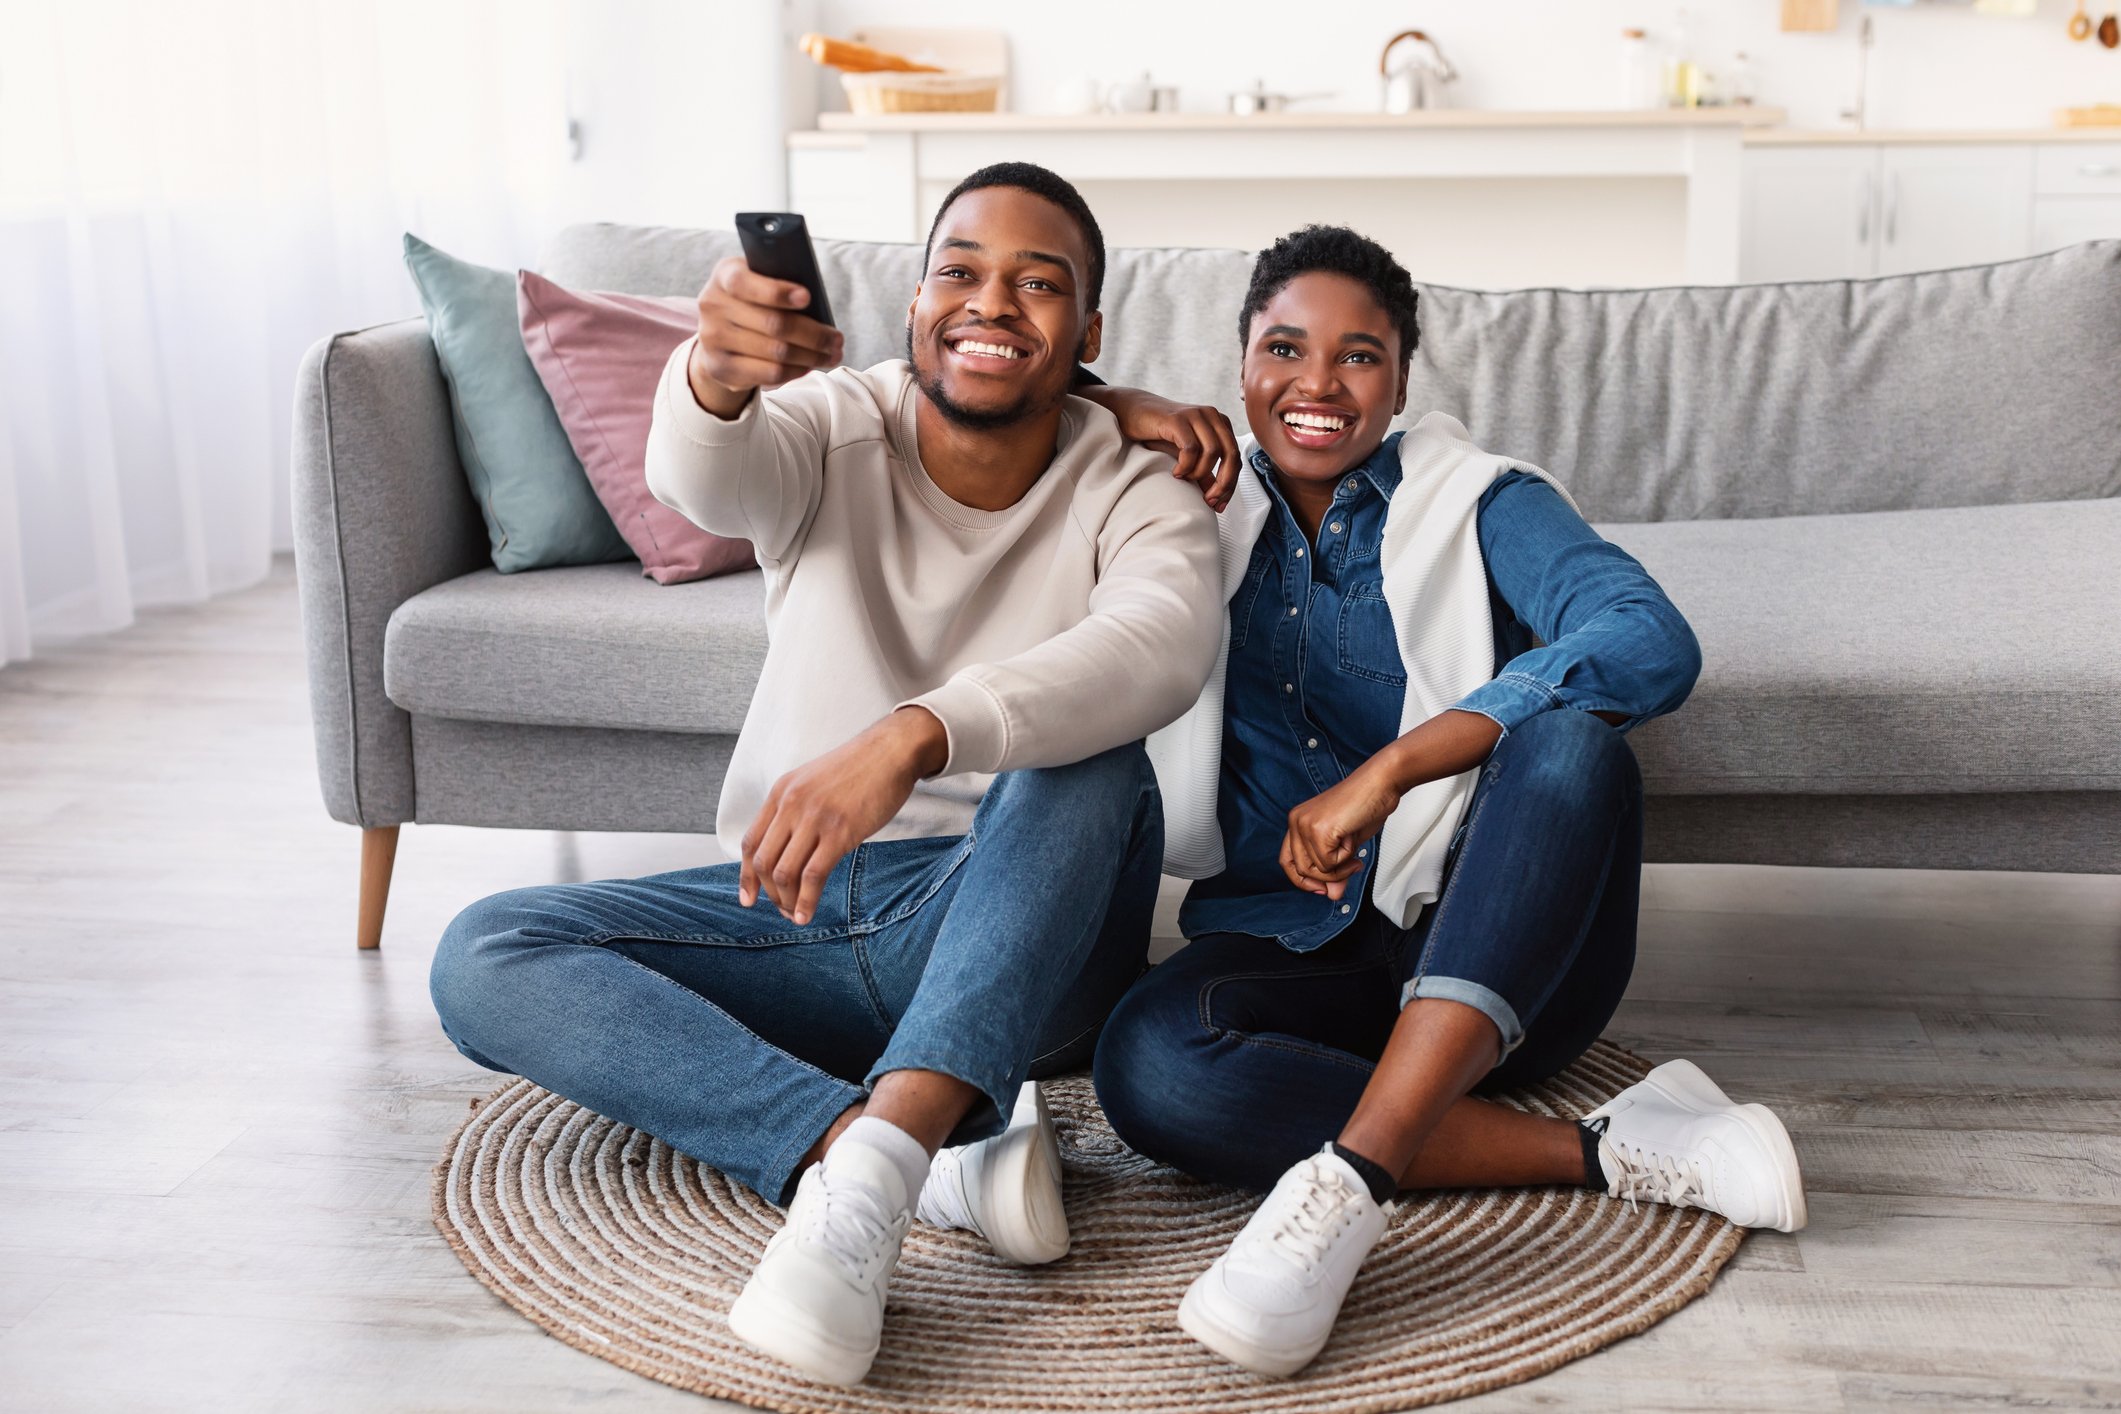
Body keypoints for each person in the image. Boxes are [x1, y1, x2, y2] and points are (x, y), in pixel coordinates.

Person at [427, 162, 1228, 1388]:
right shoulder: (829, 421)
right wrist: (713, 375)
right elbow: (701, 479)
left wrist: (913, 732)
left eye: (1038, 284)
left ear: (1091, 333)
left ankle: (866, 1188)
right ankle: (901, 1153)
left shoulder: (1136, 480)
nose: (991, 302)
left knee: (1093, 764)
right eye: (959, 271)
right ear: (912, 307)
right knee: (485, 949)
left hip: (1022, 926)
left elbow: (1160, 644)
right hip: (802, 908)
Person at [1088, 226, 1809, 1379]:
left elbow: (1649, 639)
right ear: (1238, 367)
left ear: (1403, 380)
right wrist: (1113, 401)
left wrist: (1395, 770)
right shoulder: (1187, 507)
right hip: (1298, 948)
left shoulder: (1482, 501)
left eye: (1358, 356)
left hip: (1504, 947)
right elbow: (992, 402)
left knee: (1572, 744)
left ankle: (1352, 1182)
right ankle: (1610, 1151)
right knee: (1150, 1066)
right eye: (1285, 347)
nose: (1317, 385)